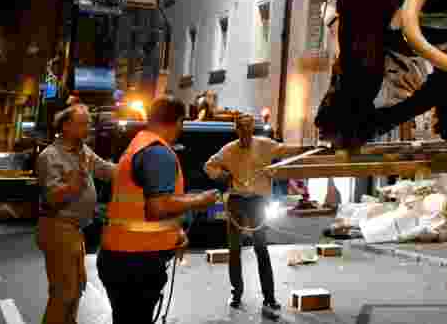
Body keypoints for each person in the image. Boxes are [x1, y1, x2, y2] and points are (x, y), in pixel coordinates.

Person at [97, 96, 221, 324]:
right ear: (178, 122)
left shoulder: (138, 145)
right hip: (136, 262)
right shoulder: (158, 153)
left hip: (120, 256)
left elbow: (144, 207)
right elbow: (158, 207)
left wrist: (176, 233)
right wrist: (198, 200)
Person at [204, 113, 302, 313]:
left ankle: (269, 297)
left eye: (249, 130)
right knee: (234, 250)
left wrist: (309, 148)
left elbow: (285, 150)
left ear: (252, 130)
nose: (246, 135)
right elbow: (209, 166)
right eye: (243, 131)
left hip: (257, 201)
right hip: (237, 201)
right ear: (237, 130)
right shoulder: (229, 150)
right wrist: (223, 176)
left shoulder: (264, 145)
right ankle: (236, 293)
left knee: (261, 248)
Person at [35, 104, 117, 324]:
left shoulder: (84, 151)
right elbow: (52, 197)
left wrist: (133, 165)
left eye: (89, 123)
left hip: (74, 230)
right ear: (66, 126)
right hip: (57, 227)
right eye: (83, 123)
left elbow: (106, 170)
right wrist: (72, 185)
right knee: (63, 293)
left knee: (75, 289)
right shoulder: (50, 156)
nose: (88, 128)